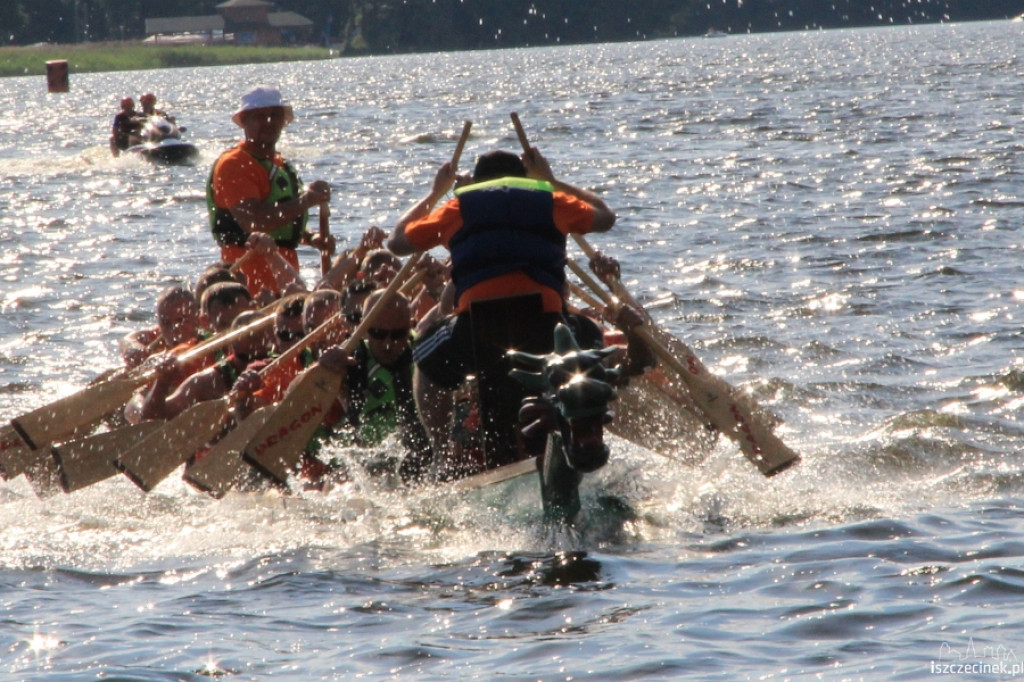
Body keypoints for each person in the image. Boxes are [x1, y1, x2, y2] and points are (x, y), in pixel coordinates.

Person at [386, 147, 615, 477]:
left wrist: (436, 191)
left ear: (476, 183)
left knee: (424, 353)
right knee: (592, 335)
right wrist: (551, 180)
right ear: (524, 179)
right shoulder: (550, 202)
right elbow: (605, 216)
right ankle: (589, 433)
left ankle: (440, 453)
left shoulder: (456, 208)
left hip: (477, 329)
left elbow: (396, 243)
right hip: (549, 326)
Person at [207, 85, 333, 298]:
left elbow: (281, 218)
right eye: (260, 116)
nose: (269, 122)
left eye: (275, 116)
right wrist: (306, 201)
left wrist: (312, 237)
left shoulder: (279, 163)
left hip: (284, 279)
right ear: (244, 121)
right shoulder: (235, 164)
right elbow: (255, 222)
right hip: (249, 287)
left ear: (283, 121)